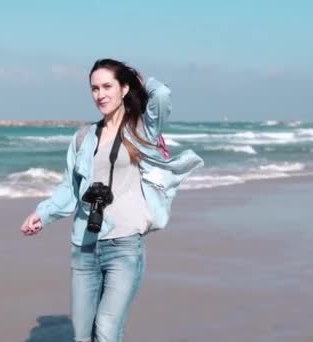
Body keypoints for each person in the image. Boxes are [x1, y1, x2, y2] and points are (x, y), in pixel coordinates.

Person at [20, 58, 203, 342]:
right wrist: (42, 214)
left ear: (124, 89)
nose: (100, 95)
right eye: (94, 88)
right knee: (82, 335)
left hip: (124, 246)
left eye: (107, 86)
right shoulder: (83, 137)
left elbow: (163, 96)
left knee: (106, 330)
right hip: (85, 246)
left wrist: (142, 81)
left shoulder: (142, 130)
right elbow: (70, 187)